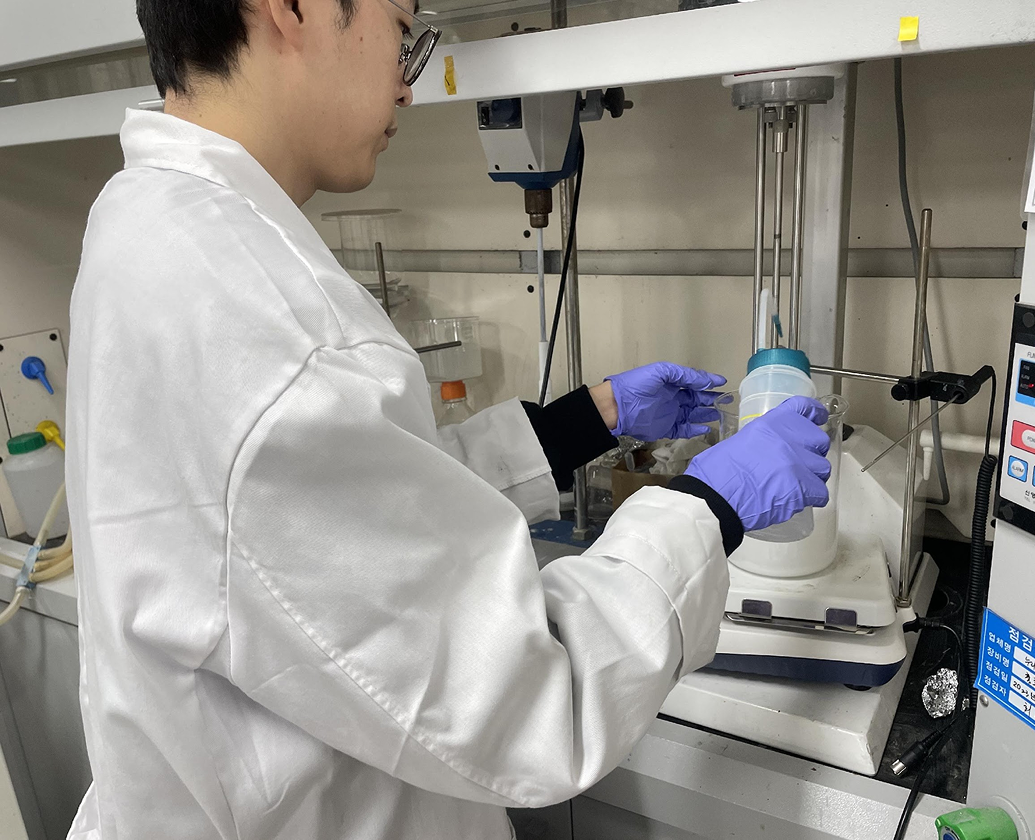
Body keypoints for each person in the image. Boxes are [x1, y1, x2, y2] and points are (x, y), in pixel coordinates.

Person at [64, 0, 832, 838]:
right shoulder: (263, 319)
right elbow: (526, 700)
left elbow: (361, 517)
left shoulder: (149, 220)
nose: (406, 84)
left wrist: (588, 419)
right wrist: (710, 505)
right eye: (403, 30)